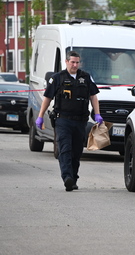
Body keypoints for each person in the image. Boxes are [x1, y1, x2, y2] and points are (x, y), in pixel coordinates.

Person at [35, 51, 103, 192]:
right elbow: (47, 98)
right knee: (65, 149)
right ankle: (67, 177)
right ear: (66, 62)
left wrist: (97, 115)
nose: (75, 65)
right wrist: (40, 116)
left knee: (76, 152)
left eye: (77, 62)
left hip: (80, 121)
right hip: (63, 120)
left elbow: (93, 97)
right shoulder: (57, 78)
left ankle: (73, 178)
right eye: (72, 62)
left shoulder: (85, 77)